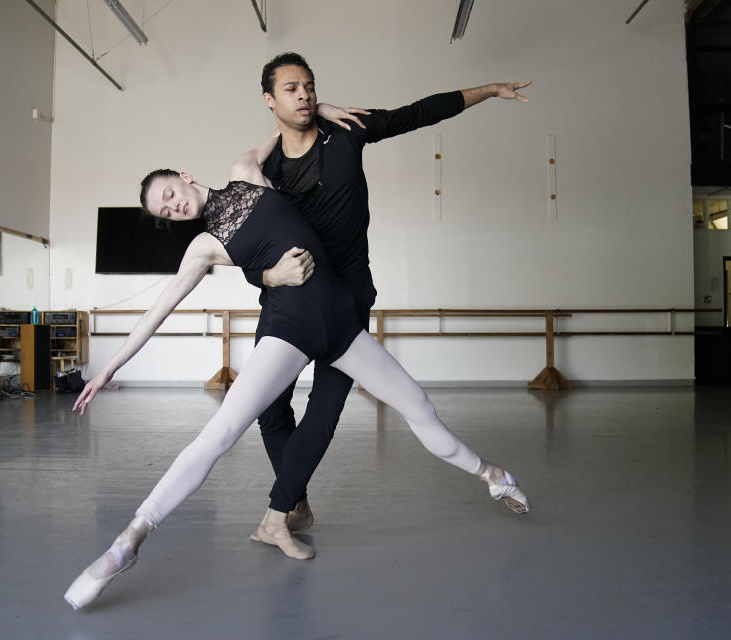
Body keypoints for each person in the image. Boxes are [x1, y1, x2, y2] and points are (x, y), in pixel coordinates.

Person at [62, 158, 530, 610]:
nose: (174, 206)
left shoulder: (245, 172)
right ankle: (130, 540)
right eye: (165, 211)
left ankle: (493, 476)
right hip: (290, 327)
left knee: (419, 406)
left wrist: (323, 108)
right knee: (223, 430)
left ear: (182, 176)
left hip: (342, 328)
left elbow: (287, 124)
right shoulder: (205, 246)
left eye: (169, 194)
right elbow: (157, 312)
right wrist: (107, 369)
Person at [241, 53, 531, 542]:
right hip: (289, 297)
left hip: (346, 296)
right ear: (269, 100)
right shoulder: (262, 168)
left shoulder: (348, 131)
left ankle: (282, 507)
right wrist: (266, 278)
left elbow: (418, 112)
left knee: (325, 409)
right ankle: (297, 500)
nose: (305, 94)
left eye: (310, 85)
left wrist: (487, 90)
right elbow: (248, 242)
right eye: (291, 88)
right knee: (268, 408)